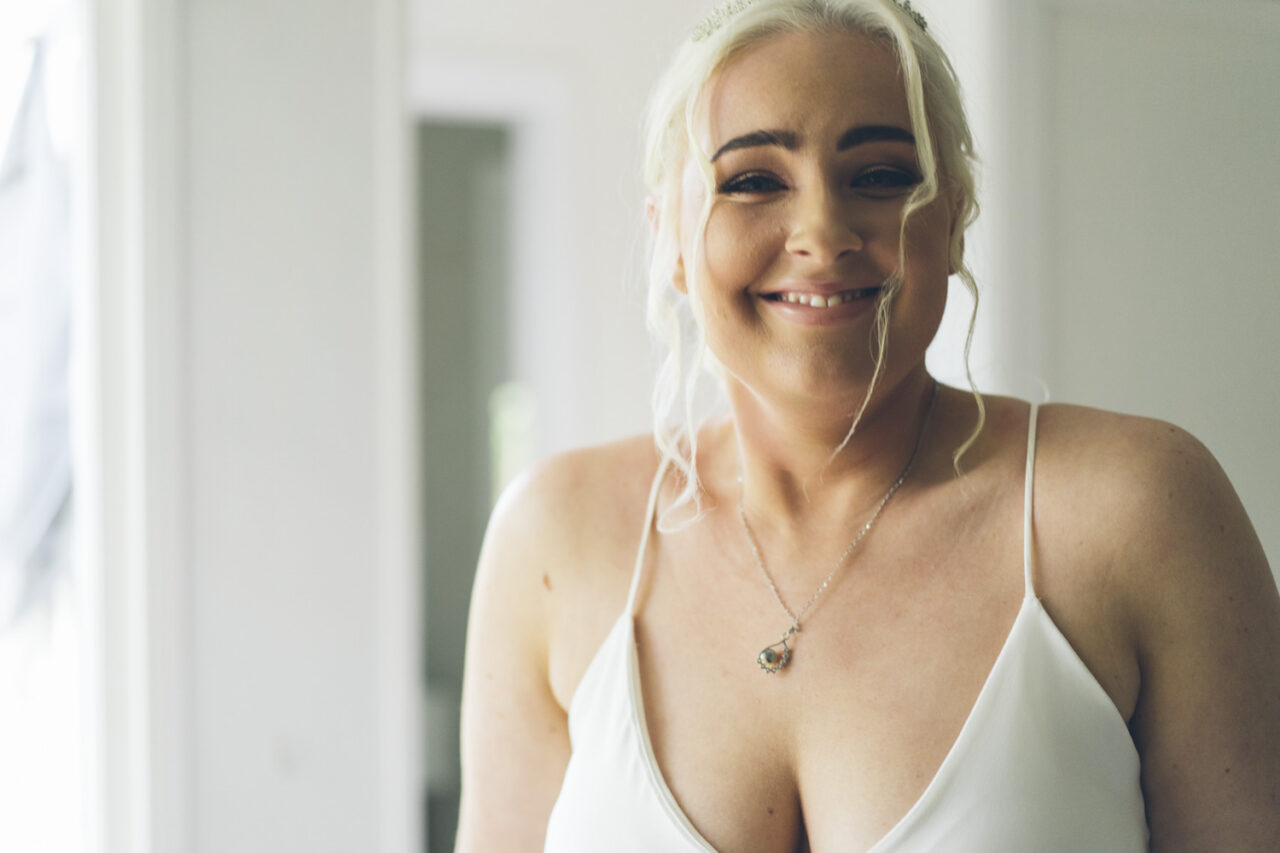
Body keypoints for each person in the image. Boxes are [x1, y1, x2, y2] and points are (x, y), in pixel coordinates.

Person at [454, 0, 1280, 850]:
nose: (821, 232)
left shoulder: (1139, 511)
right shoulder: (554, 540)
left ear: (954, 216)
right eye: (753, 180)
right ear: (667, 236)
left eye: (882, 176)